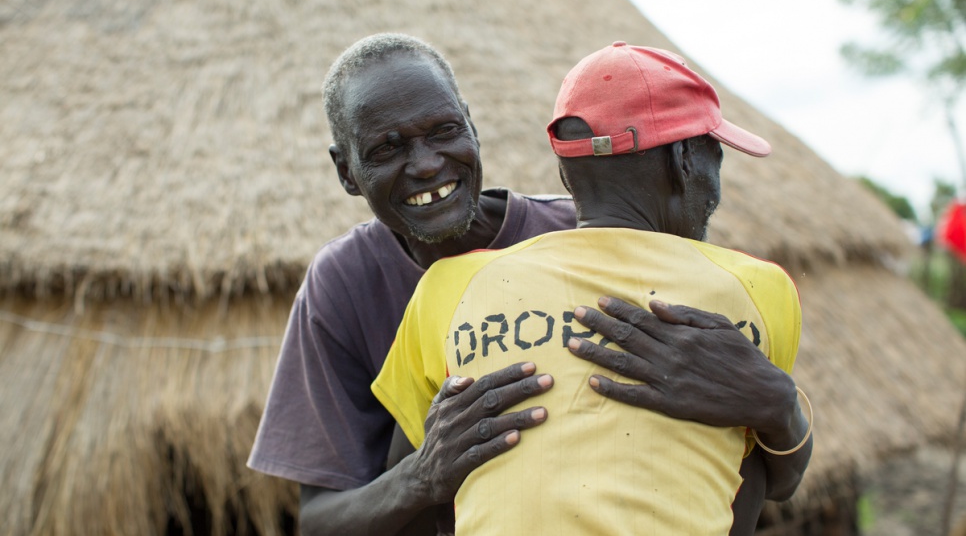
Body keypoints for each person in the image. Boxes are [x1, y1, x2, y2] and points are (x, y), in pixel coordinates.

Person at [248, 34, 811, 535]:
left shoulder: (599, 237)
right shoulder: (343, 284)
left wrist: (774, 402)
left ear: (472, 126)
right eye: (387, 149)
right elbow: (319, 518)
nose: (425, 165)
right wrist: (421, 476)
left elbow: (744, 434)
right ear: (346, 171)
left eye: (445, 131)